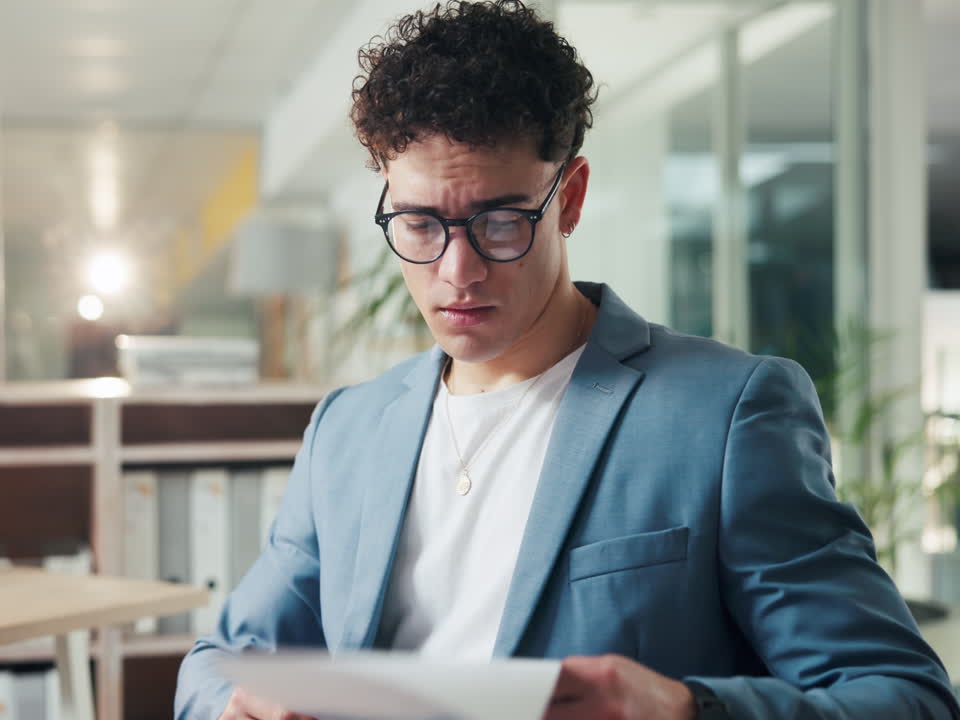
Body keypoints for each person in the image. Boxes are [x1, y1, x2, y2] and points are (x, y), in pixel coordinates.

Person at [175, 2, 958, 718]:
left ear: (571, 197)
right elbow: (217, 662)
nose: (457, 271)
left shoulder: (727, 414)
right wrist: (236, 707)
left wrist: (687, 710)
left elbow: (904, 698)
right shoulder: (349, 429)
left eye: (501, 222)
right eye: (418, 224)